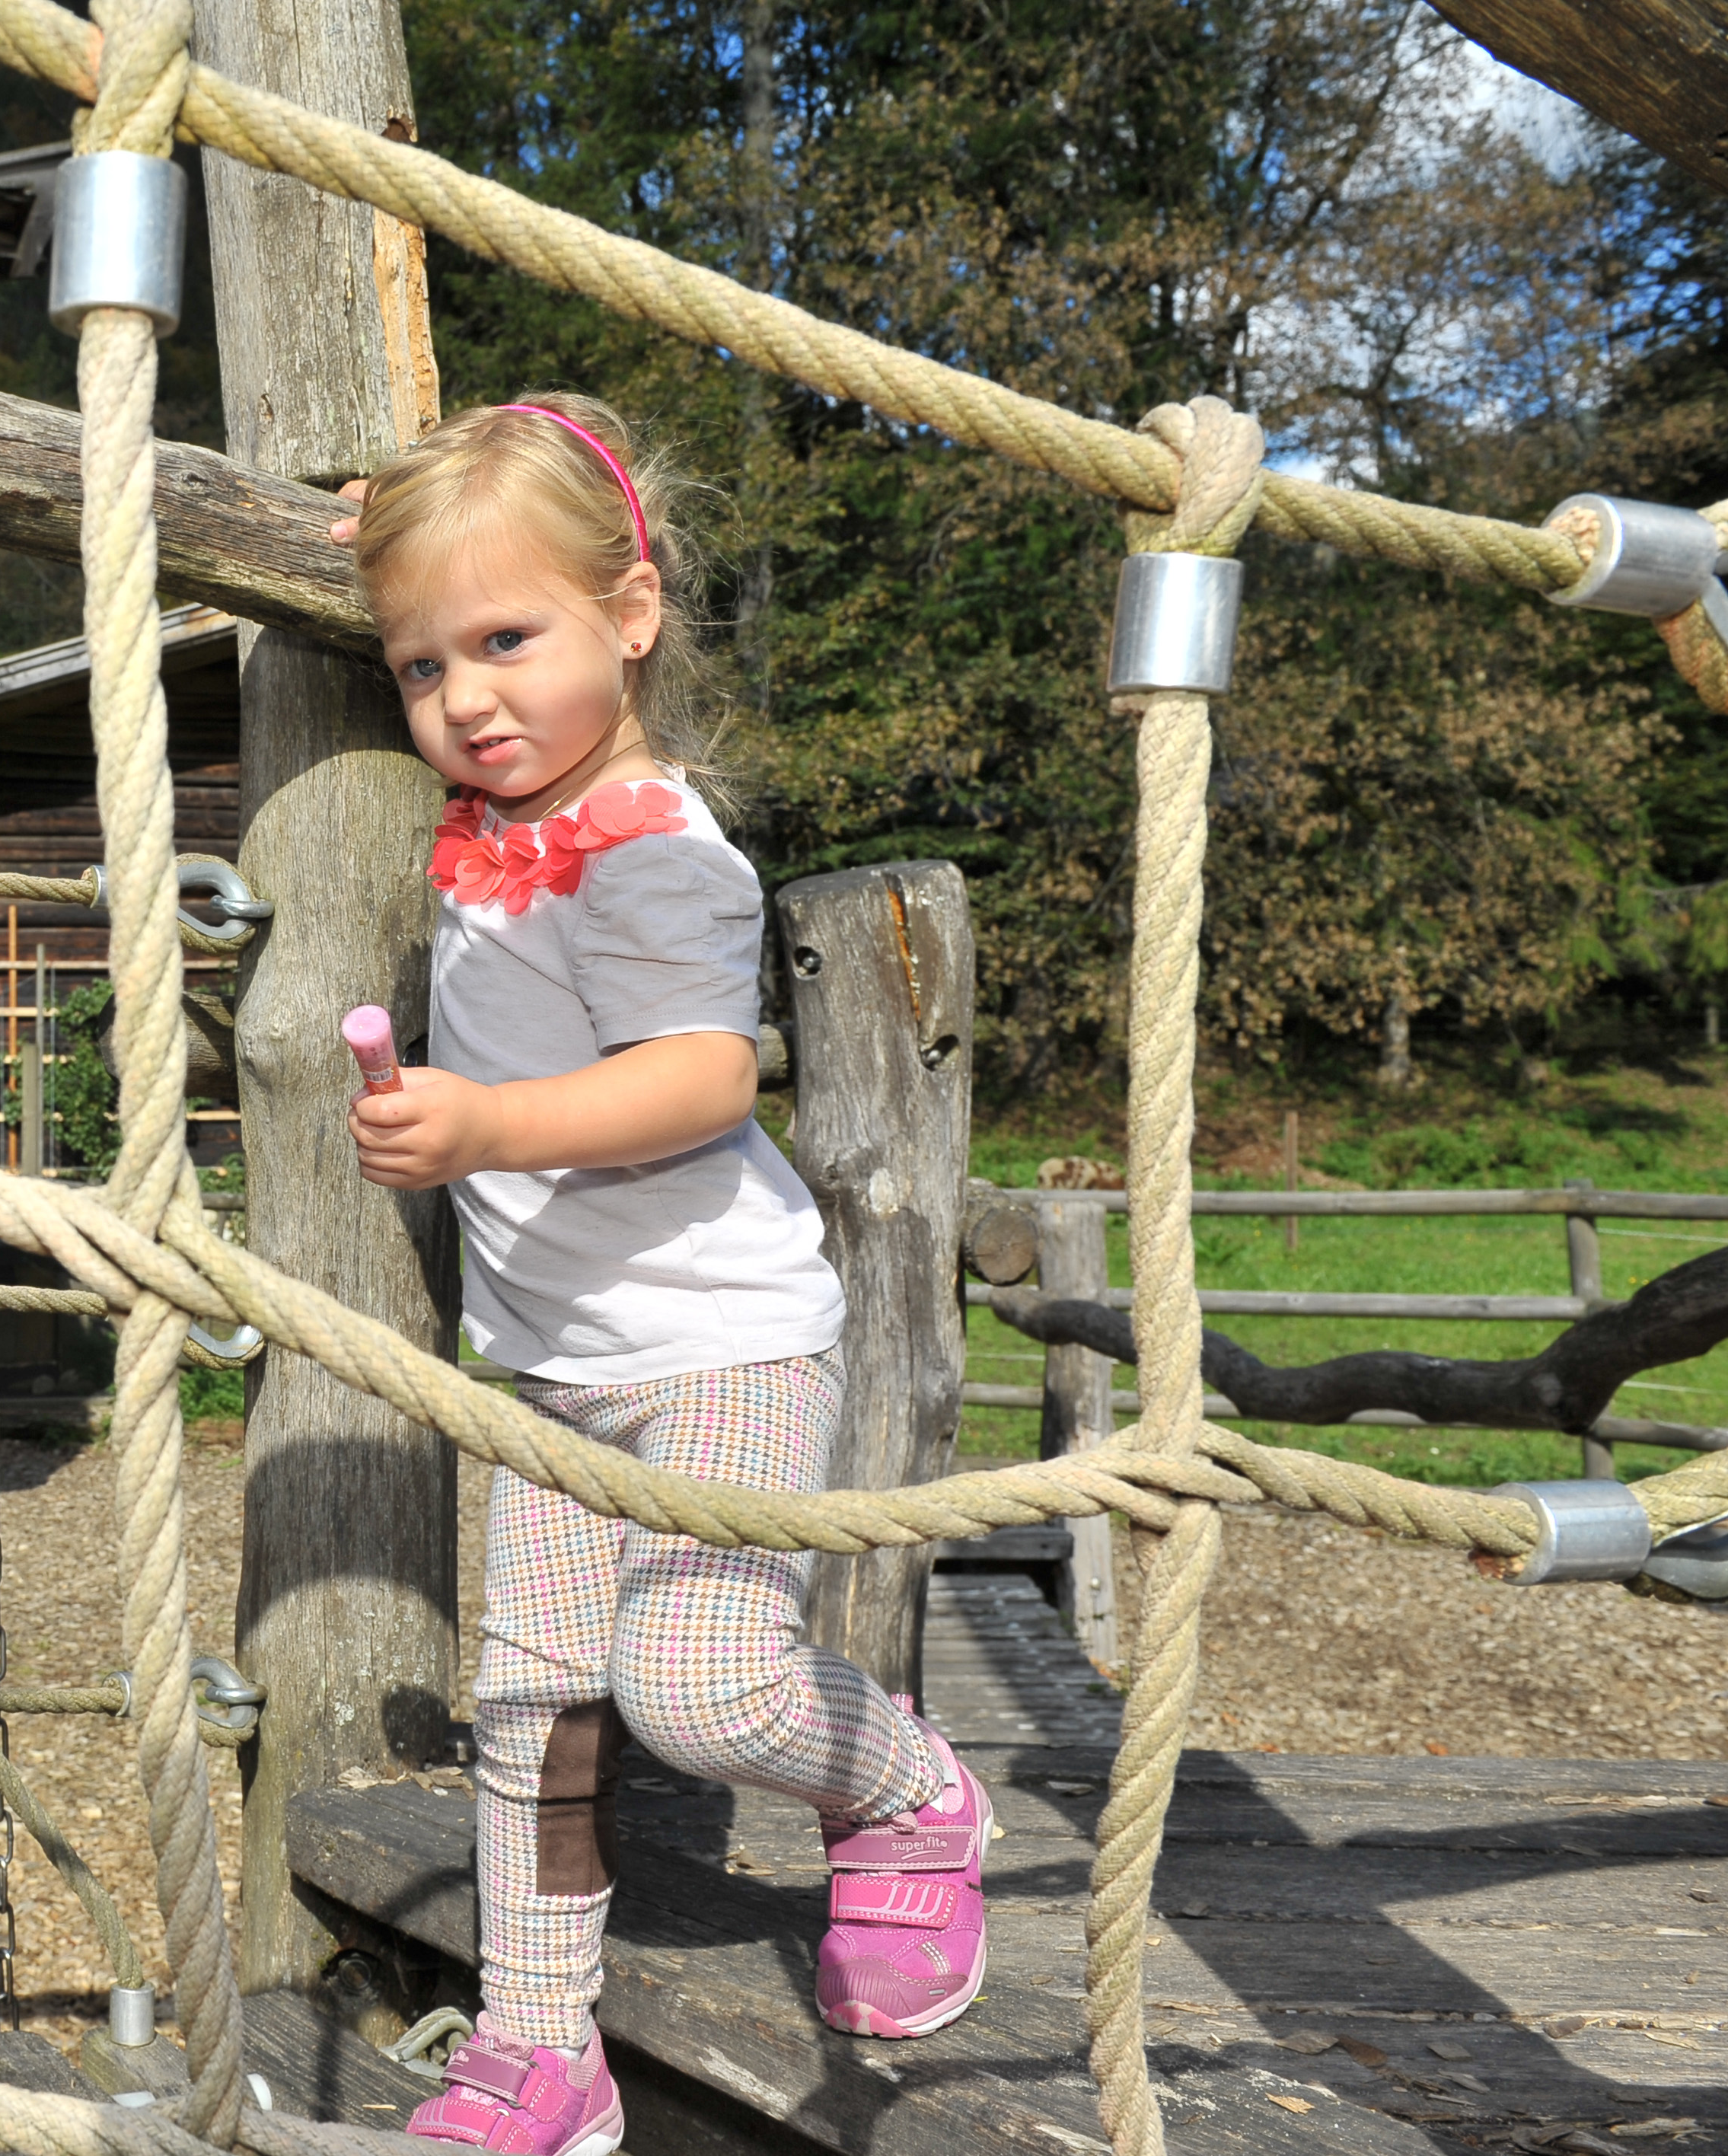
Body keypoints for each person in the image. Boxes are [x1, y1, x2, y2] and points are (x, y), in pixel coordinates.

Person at [333, 396, 991, 2156]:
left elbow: (704, 1077)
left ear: (630, 614)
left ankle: (913, 1795)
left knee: (700, 1689)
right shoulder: (499, 816)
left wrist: (480, 1126)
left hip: (720, 1345)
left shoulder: (653, 844)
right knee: (535, 1711)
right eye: (418, 663)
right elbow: (475, 555)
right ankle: (543, 2051)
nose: (464, 697)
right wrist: (401, 508)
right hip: (559, 1368)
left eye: (507, 638)